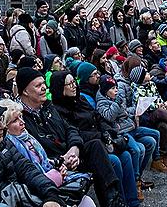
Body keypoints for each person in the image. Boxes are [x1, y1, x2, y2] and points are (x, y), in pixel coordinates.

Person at [16, 67, 124, 207]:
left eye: (44, 84)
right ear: (25, 91)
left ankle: (113, 201)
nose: (44, 88)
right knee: (112, 159)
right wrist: (62, 160)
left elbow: (70, 128)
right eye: (38, 86)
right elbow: (36, 150)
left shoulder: (47, 106)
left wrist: (74, 149)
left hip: (70, 153)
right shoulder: (20, 118)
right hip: (53, 165)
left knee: (97, 146)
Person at [49, 70, 140, 207]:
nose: (74, 86)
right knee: (114, 161)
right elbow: (75, 133)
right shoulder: (58, 109)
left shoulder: (81, 100)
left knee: (126, 155)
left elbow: (97, 117)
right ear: (60, 87)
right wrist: (102, 137)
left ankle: (132, 202)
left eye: (74, 82)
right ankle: (115, 201)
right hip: (85, 149)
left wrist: (107, 133)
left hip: (100, 140)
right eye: (69, 84)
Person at [0, 99, 95, 207]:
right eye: (15, 120)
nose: (22, 122)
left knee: (87, 200)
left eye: (21, 116)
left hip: (50, 182)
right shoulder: (10, 146)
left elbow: (44, 162)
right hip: (37, 193)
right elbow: (26, 178)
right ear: (4, 126)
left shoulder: (27, 137)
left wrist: (60, 165)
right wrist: (55, 175)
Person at [0, 100, 64, 207]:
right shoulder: (10, 140)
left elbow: (28, 170)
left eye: (0, 120)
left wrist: (51, 196)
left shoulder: (4, 144)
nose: (1, 126)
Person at [96, 75, 159, 193]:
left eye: (116, 87)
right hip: (121, 131)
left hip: (130, 125)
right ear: (105, 90)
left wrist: (136, 110)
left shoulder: (114, 97)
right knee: (137, 149)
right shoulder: (102, 102)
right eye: (112, 88)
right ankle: (135, 182)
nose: (116, 90)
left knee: (153, 138)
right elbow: (109, 116)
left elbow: (124, 112)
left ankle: (142, 172)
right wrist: (117, 102)